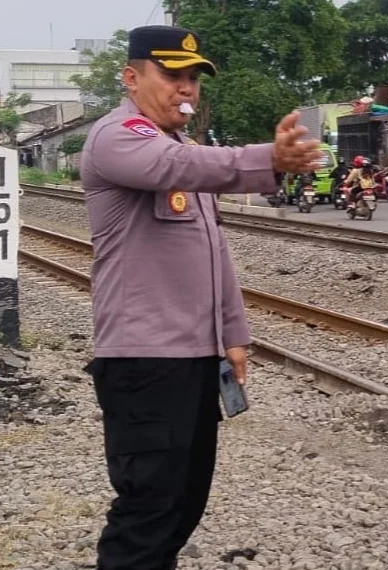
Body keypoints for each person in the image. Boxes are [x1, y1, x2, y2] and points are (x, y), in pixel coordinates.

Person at [78, 24, 321, 570]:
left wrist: (233, 335)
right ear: (132, 77)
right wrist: (269, 159)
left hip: (193, 359)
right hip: (143, 361)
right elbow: (176, 168)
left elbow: (214, 255)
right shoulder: (116, 137)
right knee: (147, 509)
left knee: (185, 504)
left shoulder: (184, 150)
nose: (187, 88)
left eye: (193, 78)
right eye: (173, 75)